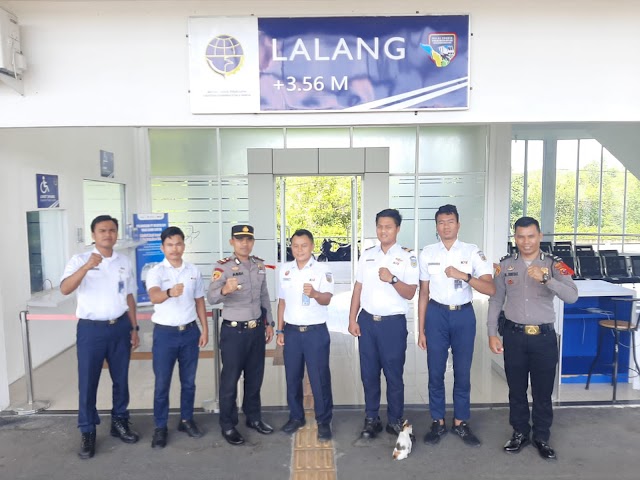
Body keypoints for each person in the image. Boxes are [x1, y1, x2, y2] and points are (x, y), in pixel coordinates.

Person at [488, 216, 578, 460]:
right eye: (520, 236)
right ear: (515, 238)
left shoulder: (555, 265)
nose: (525, 242)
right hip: (514, 336)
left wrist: (547, 279)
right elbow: (496, 299)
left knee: (542, 391)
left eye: (530, 236)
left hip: (544, 339)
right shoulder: (505, 265)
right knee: (516, 390)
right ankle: (519, 432)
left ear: (539, 236)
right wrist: (491, 333)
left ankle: (541, 436)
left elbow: (572, 296)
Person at [60, 215, 140, 459]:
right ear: (93, 235)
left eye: (112, 230)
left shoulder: (124, 261)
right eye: (103, 230)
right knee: (88, 381)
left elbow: (128, 297)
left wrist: (134, 329)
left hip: (119, 327)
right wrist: (86, 268)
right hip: (91, 329)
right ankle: (87, 431)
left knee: (121, 379)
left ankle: (119, 422)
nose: (108, 234)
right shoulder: (79, 259)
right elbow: (65, 288)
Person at [417, 204, 495, 447]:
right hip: (436, 315)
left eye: (450, 221)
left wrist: (464, 276)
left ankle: (461, 422)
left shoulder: (472, 252)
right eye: (441, 222)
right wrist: (420, 329)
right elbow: (423, 293)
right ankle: (437, 421)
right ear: (436, 226)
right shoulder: (428, 253)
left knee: (462, 371)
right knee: (435, 371)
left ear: (458, 225)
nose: (446, 226)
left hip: (463, 316)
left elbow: (490, 288)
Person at [348, 208, 419, 439]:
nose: (383, 230)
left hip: (392, 325)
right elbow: (358, 287)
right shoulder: (367, 254)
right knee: (368, 374)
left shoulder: (408, 257)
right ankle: (372, 419)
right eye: (380, 226)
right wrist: (352, 318)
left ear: (397, 229)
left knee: (393, 374)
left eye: (388, 226)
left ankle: (395, 420)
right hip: (367, 322)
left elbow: (410, 293)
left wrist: (393, 279)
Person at [207, 224, 275, 446]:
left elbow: (264, 296)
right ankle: (228, 425)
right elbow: (212, 298)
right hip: (234, 332)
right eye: (239, 239)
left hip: (256, 330)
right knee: (230, 380)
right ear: (232, 242)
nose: (244, 243)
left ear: (252, 242)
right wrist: (225, 289)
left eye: (248, 239)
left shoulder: (259, 265)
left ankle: (253, 418)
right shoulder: (223, 267)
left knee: (254, 379)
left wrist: (269, 323)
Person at [146, 226, 209, 448]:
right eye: (170, 244)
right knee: (162, 383)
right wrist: (169, 293)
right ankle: (160, 427)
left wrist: (205, 329)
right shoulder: (156, 271)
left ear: (184, 245)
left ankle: (186, 419)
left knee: (189, 382)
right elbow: (153, 296)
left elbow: (200, 300)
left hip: (190, 332)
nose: (175, 248)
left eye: (179, 243)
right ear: (163, 247)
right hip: (165, 334)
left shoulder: (193, 270)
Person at [276, 229, 334, 441]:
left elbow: (327, 298)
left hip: (315, 332)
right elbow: (282, 302)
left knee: (319, 378)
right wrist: (280, 330)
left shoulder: (322, 269)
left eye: (304, 245)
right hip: (291, 332)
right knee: (292, 377)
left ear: (311, 247)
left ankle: (324, 420)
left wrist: (315, 294)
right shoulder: (285, 270)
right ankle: (296, 417)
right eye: (295, 246)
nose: (299, 250)